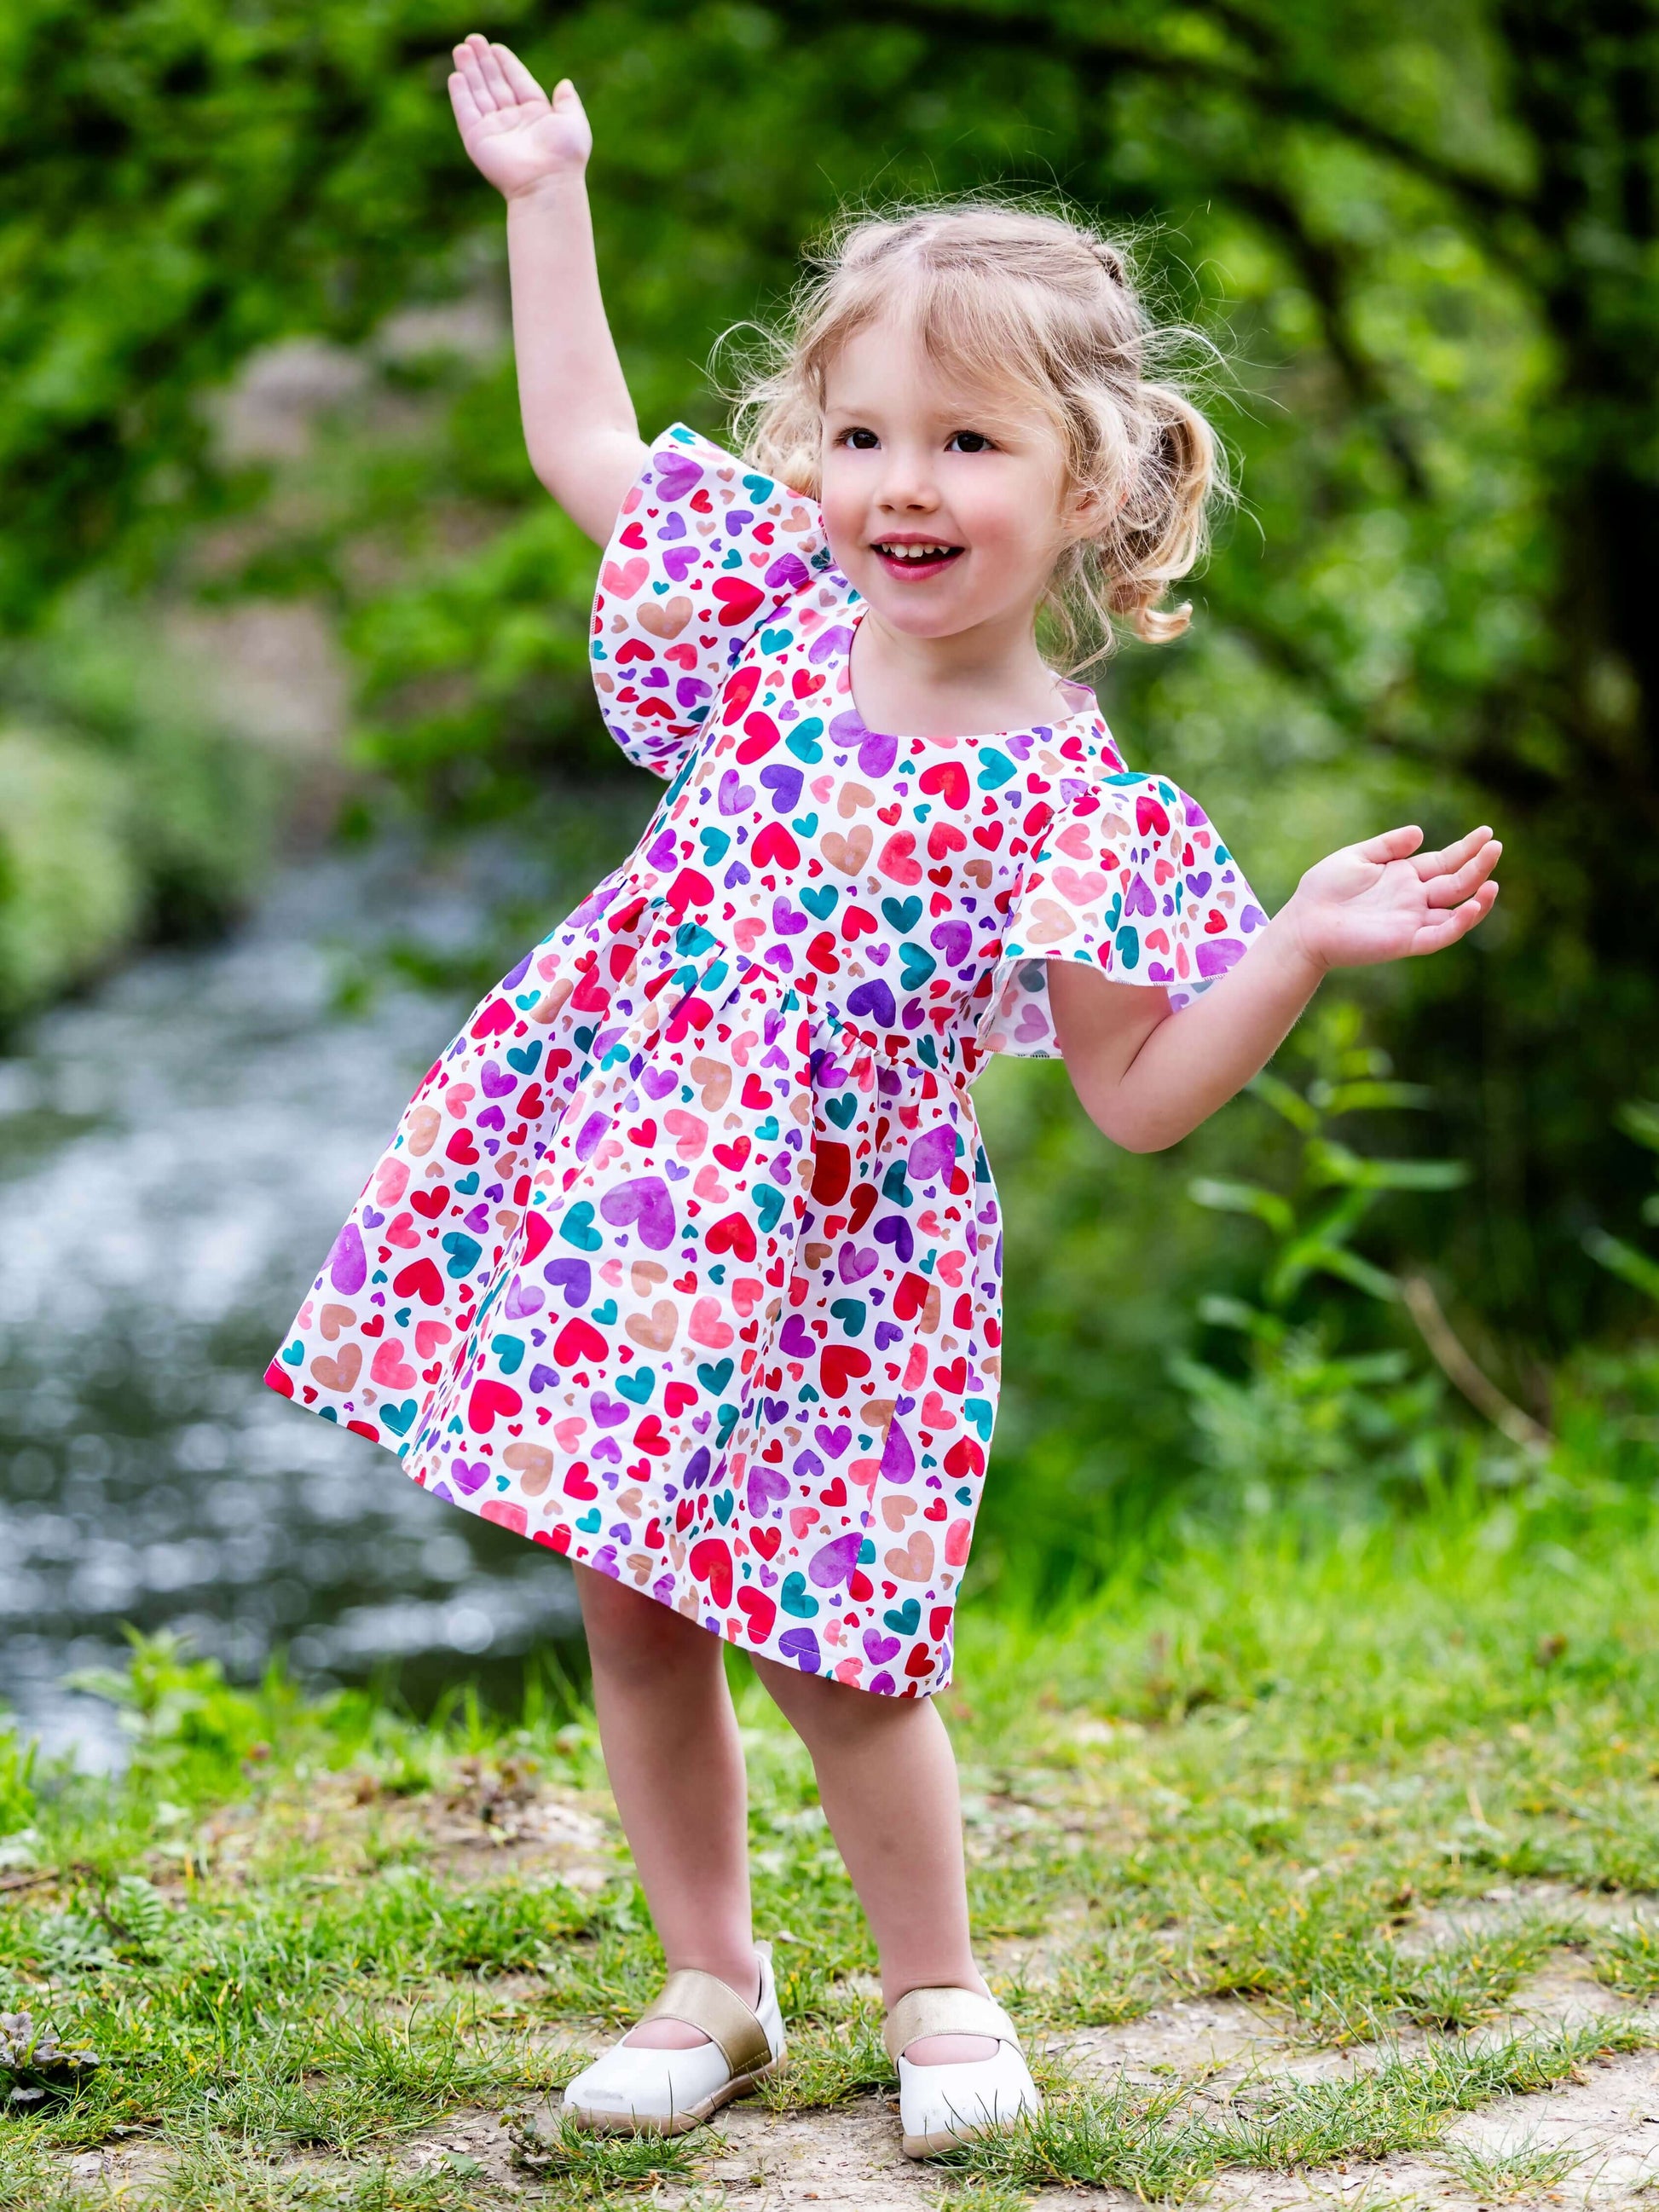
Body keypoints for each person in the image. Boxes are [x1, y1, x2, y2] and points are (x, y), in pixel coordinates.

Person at [267, 32, 1501, 2159]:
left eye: (963, 440)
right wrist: (545, 198)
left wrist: (1288, 945)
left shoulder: (1080, 806)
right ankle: (710, 1978)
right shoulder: (765, 607)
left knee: (844, 1636)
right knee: (634, 1596)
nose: (898, 482)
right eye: (857, 434)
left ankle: (936, 1985)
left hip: (852, 1243)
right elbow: (576, 433)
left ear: (1094, 487)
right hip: (627, 1192)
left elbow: (1133, 1098)